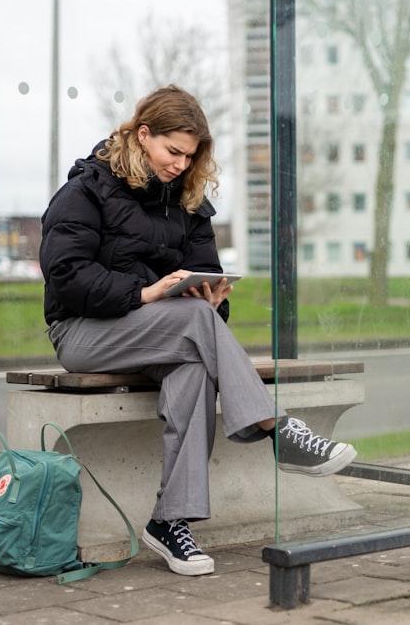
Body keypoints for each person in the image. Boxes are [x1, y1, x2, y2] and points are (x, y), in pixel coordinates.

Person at [39, 85, 357, 577]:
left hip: (163, 333)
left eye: (191, 156)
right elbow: (67, 276)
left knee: (191, 370)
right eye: (173, 151)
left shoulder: (189, 204)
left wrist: (209, 300)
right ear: (143, 136)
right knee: (192, 330)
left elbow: (201, 282)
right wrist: (144, 294)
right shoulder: (85, 191)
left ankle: (171, 520)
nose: (181, 165)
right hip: (84, 332)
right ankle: (280, 431)